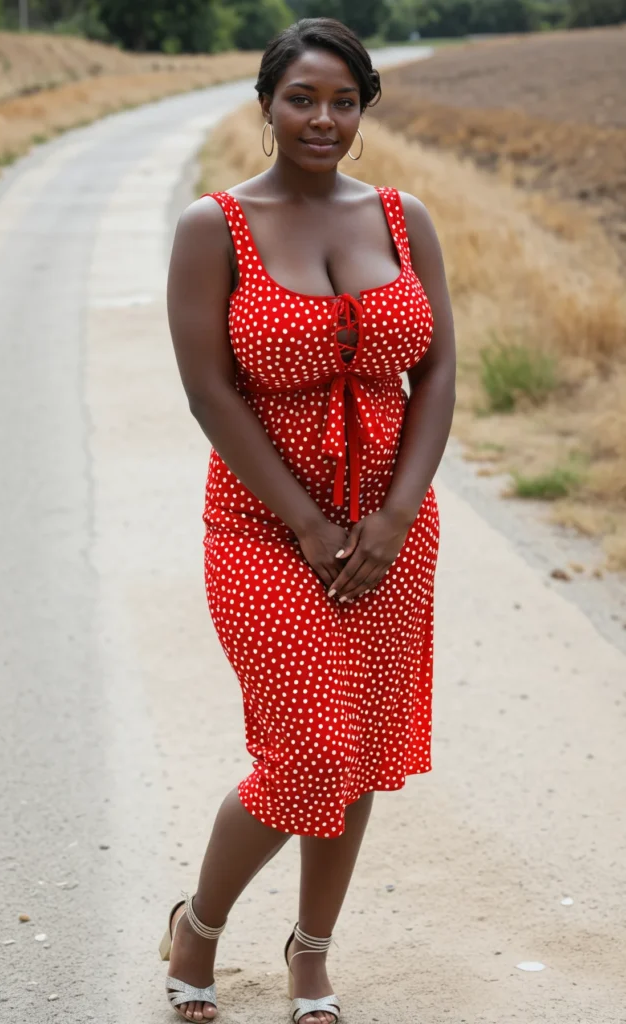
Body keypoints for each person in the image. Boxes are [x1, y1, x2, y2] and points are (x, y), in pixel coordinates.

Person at [162, 17, 456, 1024]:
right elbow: (208, 391)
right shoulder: (215, 228)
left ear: (364, 109)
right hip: (260, 530)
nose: (321, 118)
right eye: (301, 98)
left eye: (342, 100)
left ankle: (311, 953)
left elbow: (439, 371)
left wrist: (395, 511)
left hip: (390, 533)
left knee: (363, 748)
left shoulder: (402, 217)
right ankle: (198, 924)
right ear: (266, 105)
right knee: (311, 754)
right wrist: (304, 522)